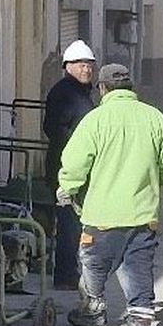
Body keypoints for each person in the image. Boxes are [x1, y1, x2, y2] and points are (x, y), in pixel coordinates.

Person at [57, 62, 163, 326]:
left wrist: (67, 187)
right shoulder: (154, 118)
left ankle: (94, 311)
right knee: (138, 264)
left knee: (94, 263)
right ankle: (140, 320)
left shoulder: (95, 120)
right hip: (143, 215)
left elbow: (75, 162)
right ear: (130, 87)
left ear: (103, 88)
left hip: (101, 215)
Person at [43, 40, 99, 289]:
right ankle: (65, 276)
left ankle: (70, 271)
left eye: (89, 65)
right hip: (65, 170)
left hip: (77, 169)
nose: (86, 69)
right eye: (81, 65)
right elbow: (54, 129)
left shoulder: (80, 94)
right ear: (68, 66)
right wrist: (78, 150)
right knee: (68, 224)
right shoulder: (64, 93)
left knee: (74, 223)